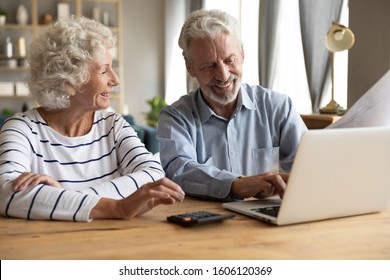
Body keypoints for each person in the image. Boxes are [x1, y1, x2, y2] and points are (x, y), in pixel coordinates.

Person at [0, 17, 184, 222]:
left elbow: (153, 175)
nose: (115, 79)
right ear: (69, 81)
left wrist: (65, 197)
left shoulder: (113, 125)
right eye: (104, 70)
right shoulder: (21, 129)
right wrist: (115, 208)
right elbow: (7, 194)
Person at [157, 9, 307, 201]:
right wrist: (237, 184)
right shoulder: (175, 117)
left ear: (242, 55)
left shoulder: (278, 107)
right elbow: (180, 170)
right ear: (190, 67)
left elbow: (310, 167)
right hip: (206, 223)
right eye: (209, 66)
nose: (223, 75)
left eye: (229, 60)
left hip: (268, 222)